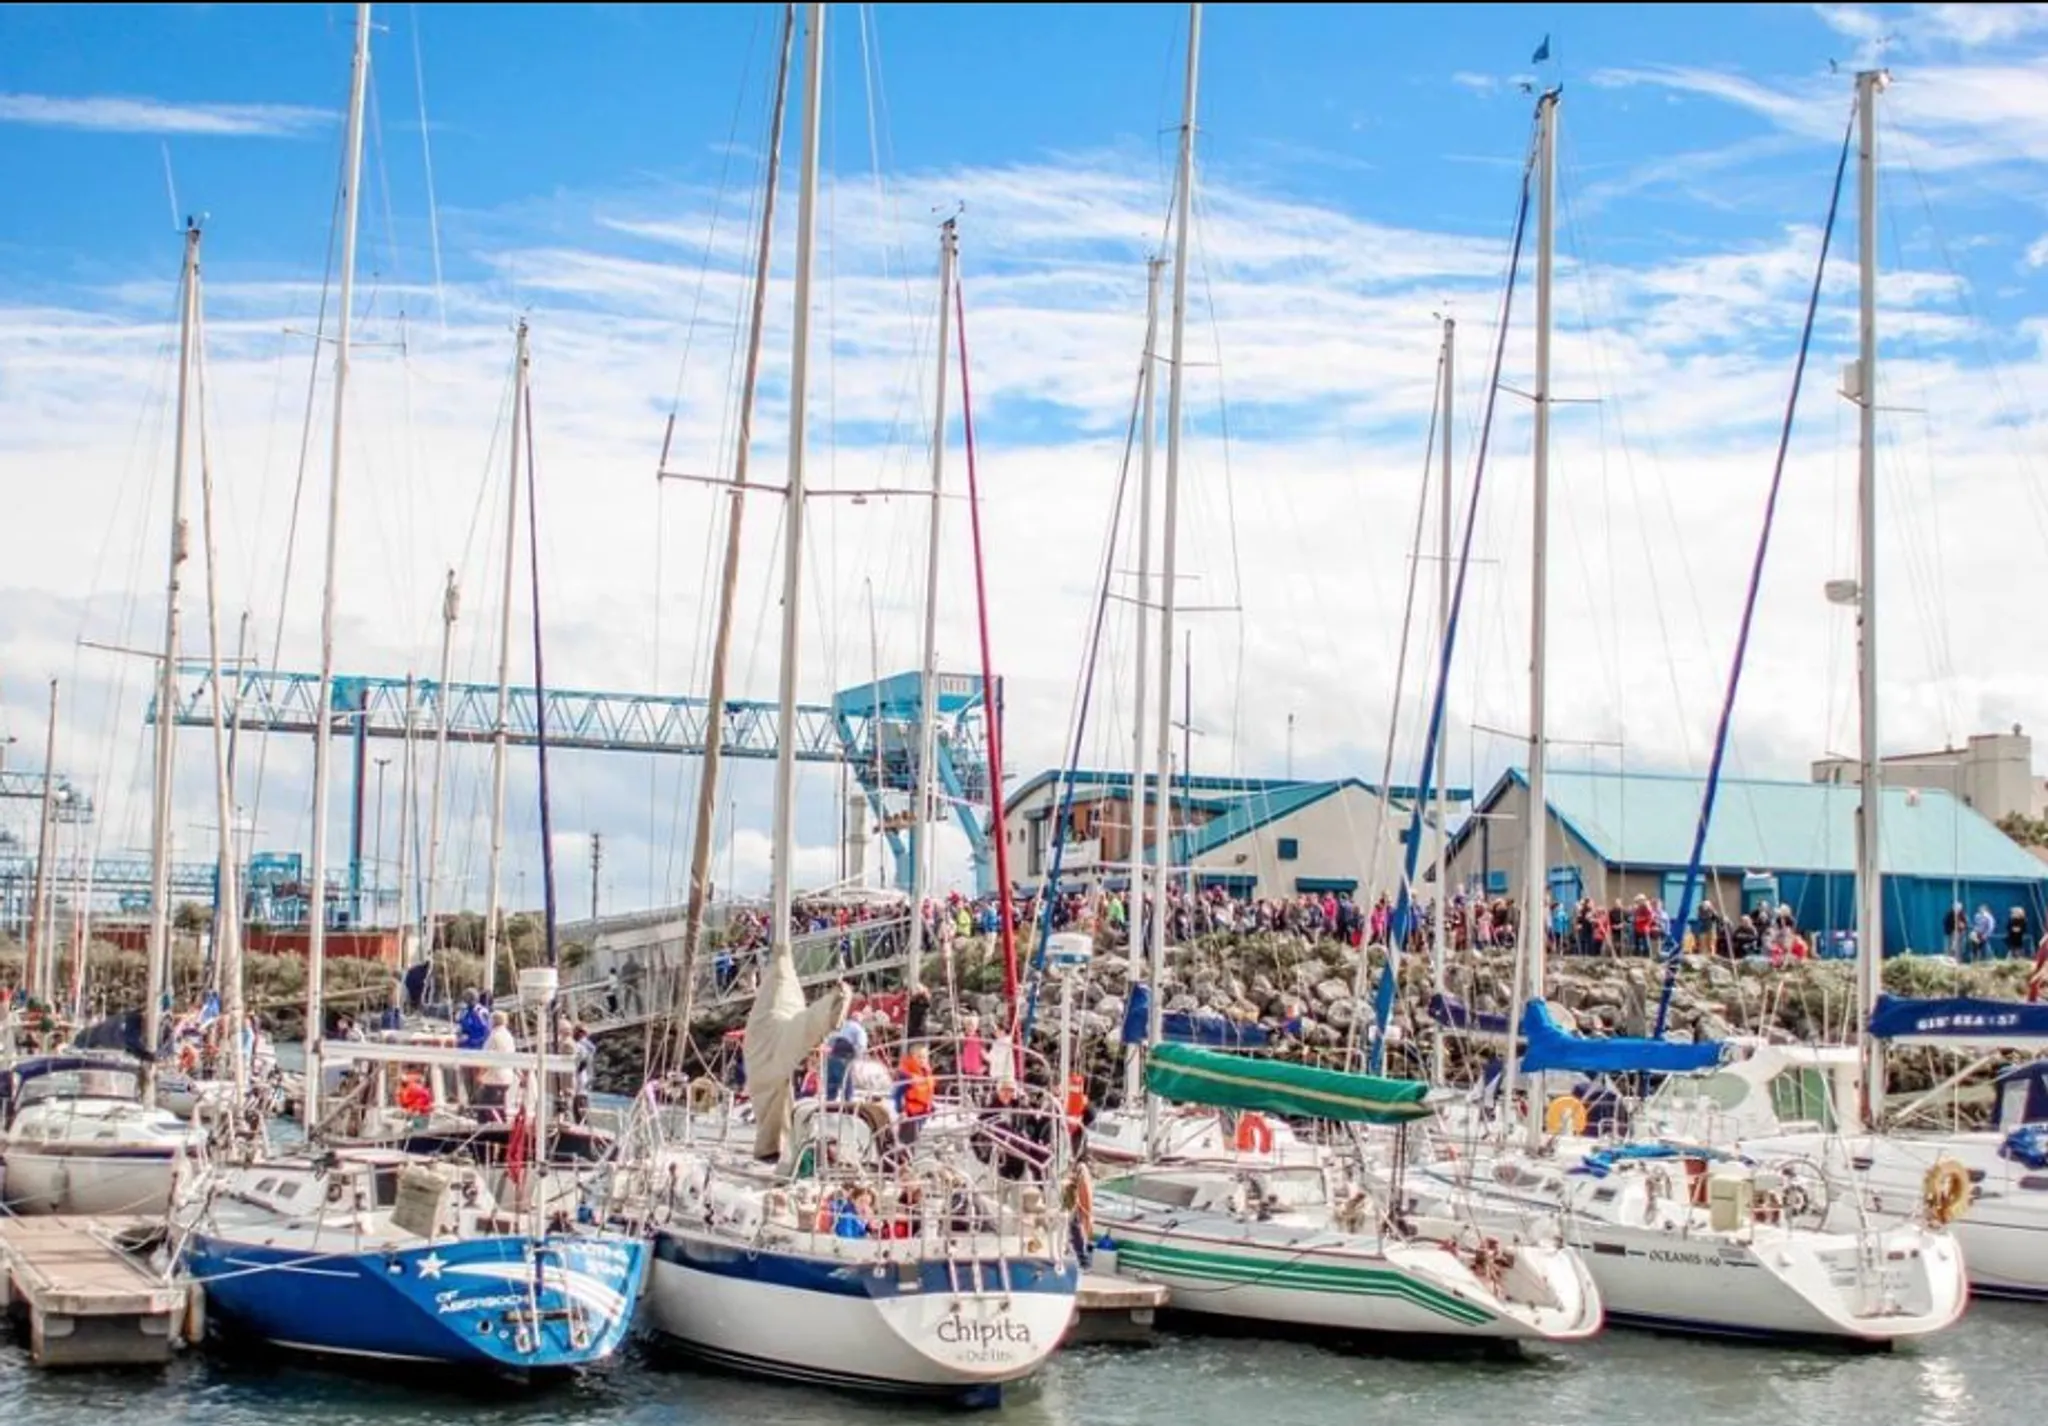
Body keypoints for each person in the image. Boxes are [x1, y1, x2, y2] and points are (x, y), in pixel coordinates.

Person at [476, 1011, 518, 1119]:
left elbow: (487, 1058)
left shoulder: (494, 1037)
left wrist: (480, 1074)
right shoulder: (509, 1036)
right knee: (498, 1104)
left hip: (494, 1077)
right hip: (507, 1075)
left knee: (485, 1105)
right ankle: (500, 1121)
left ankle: (491, 1125)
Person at [823, 1013, 867, 1102]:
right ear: (859, 1020)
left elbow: (830, 1041)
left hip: (833, 1056)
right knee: (847, 1080)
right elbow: (861, 1045)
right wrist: (859, 1058)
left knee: (832, 1081)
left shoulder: (841, 1027)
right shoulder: (859, 1029)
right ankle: (848, 1101)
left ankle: (830, 1100)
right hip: (845, 1057)